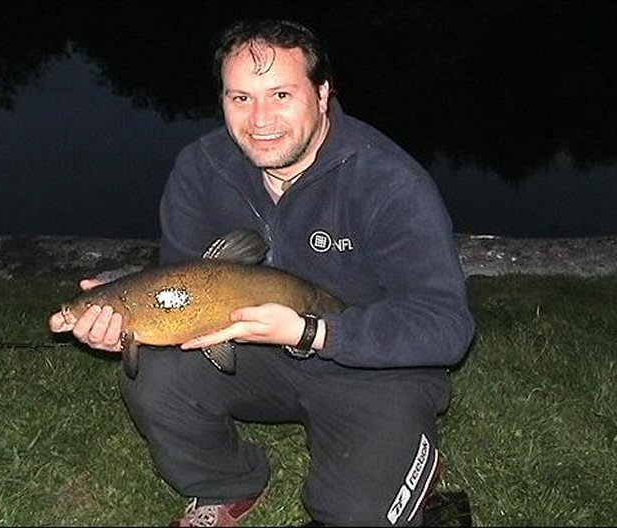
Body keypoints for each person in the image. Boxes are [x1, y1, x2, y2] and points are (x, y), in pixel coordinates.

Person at [49, 19, 475, 527]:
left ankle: (403, 457)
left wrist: (312, 331)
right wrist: (128, 327)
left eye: (280, 94)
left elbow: (448, 327)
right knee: (154, 378)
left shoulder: (387, 181)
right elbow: (182, 289)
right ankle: (226, 485)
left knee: (355, 514)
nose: (260, 120)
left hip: (376, 366)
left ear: (321, 94)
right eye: (241, 98)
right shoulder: (200, 169)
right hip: (256, 354)